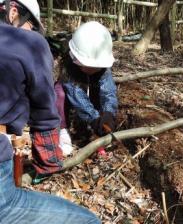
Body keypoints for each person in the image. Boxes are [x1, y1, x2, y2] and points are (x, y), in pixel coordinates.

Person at [0, 0, 101, 223]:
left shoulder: (103, 68)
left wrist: (106, 115)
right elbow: (45, 107)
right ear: (13, 12)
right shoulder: (30, 43)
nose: (33, 32)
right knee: (89, 220)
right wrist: (49, 159)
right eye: (32, 26)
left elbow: (107, 90)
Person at [55, 21, 118, 154]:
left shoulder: (103, 66)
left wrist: (108, 113)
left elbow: (108, 91)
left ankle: (97, 132)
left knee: (100, 96)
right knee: (58, 94)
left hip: (91, 89)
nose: (92, 69)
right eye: (88, 65)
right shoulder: (69, 66)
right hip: (72, 93)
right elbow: (77, 95)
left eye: (96, 67)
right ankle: (63, 130)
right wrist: (93, 118)